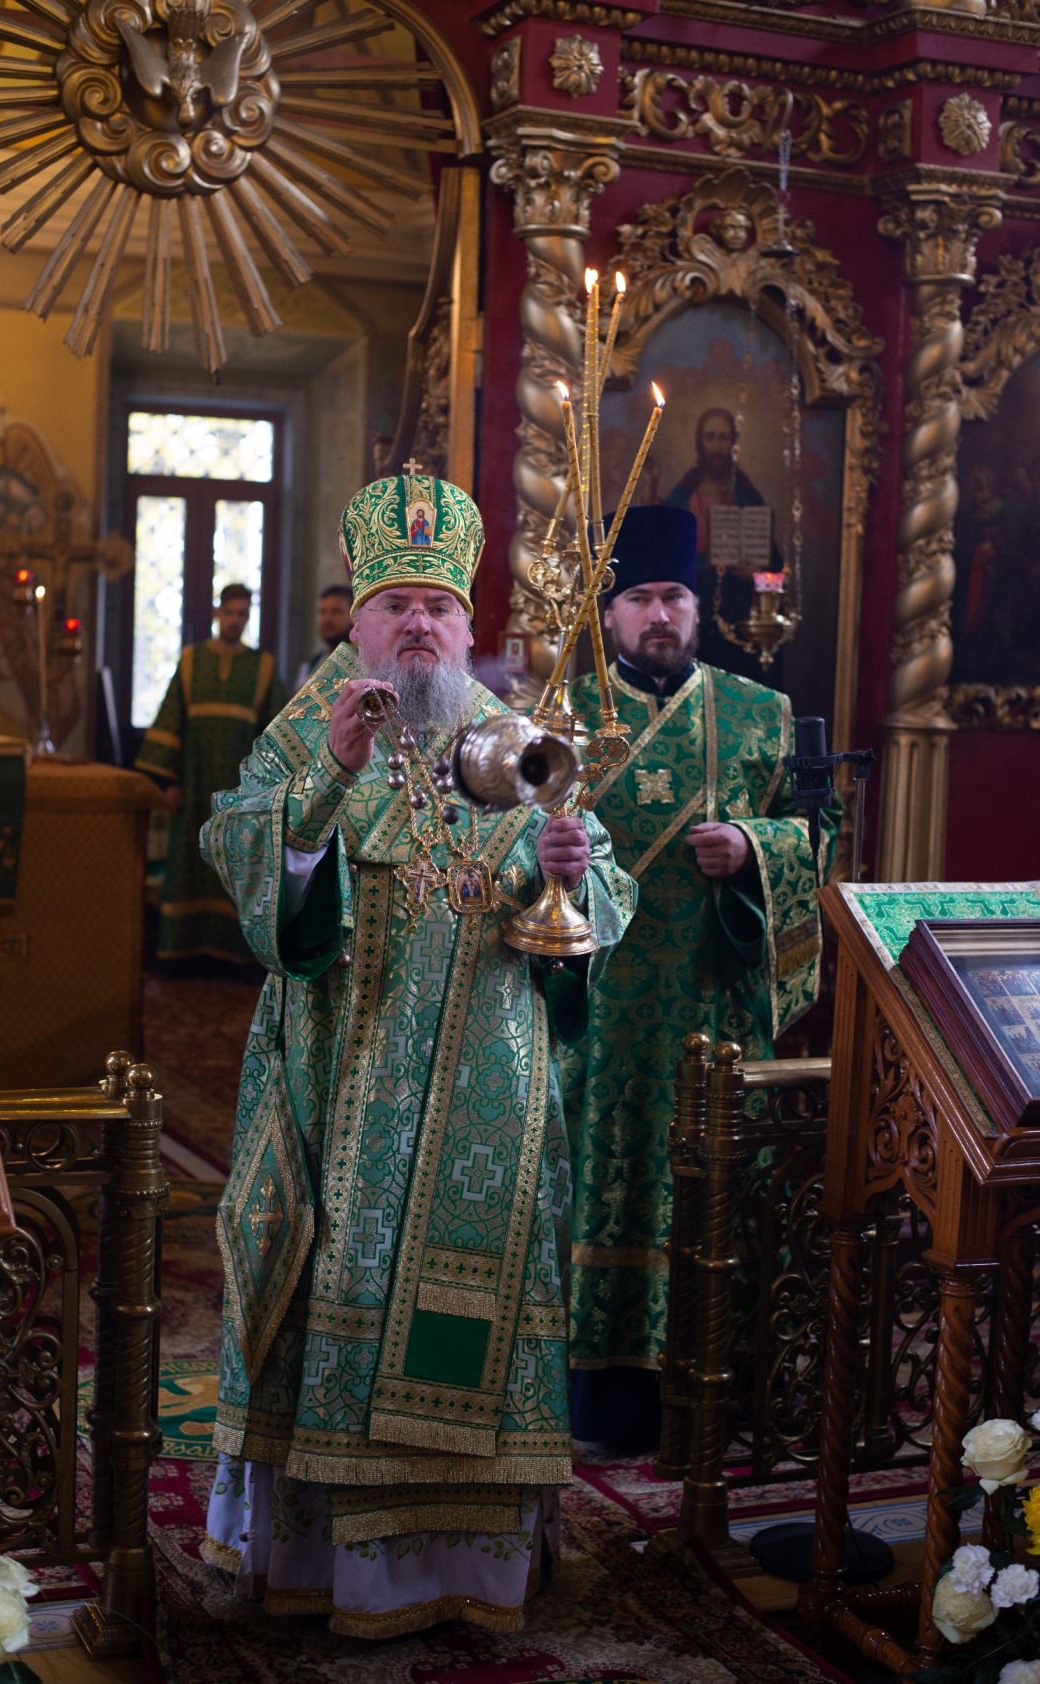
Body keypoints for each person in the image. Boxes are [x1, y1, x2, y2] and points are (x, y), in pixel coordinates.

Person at [199, 472, 635, 1637]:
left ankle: (474, 1568)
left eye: (438, 607)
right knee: (336, 1289)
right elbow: (242, 856)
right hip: (336, 1080)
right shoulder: (307, 727)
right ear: (357, 621)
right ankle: (319, 1566)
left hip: (489, 1093)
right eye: (395, 604)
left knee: (475, 1308)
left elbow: (598, 890)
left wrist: (567, 873)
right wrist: (329, 778)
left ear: (465, 625)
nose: (418, 625)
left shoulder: (513, 741)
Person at [561, 505, 838, 1450]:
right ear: (608, 612)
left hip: (715, 1003)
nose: (659, 615)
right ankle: (598, 1401)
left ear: (697, 603)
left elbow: (824, 833)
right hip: (597, 1017)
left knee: (715, 1188)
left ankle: (722, 1389)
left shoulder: (759, 711)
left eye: (674, 596)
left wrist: (758, 849)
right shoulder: (561, 717)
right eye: (639, 597)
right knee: (600, 1178)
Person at [134, 583, 287, 964]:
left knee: (238, 863)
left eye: (242, 614)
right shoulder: (192, 661)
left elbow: (278, 733)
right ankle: (182, 951)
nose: (235, 620)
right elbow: (171, 719)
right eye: (229, 612)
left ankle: (233, 953)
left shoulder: (263, 667)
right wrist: (169, 782)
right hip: (194, 783)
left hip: (242, 790)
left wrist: (267, 788)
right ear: (218, 613)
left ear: (248, 617)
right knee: (189, 859)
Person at [664, 407, 779, 682]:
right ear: (699, 442)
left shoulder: (747, 496)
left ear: (733, 443)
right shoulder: (683, 495)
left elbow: (772, 564)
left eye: (723, 438)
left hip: (738, 610)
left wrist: (757, 573)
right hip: (692, 606)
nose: (716, 447)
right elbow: (664, 551)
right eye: (710, 437)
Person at [293, 582, 353, 690]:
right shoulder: (311, 664)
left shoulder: (361, 662)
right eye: (323, 612)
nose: (327, 619)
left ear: (354, 615)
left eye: (336, 611)